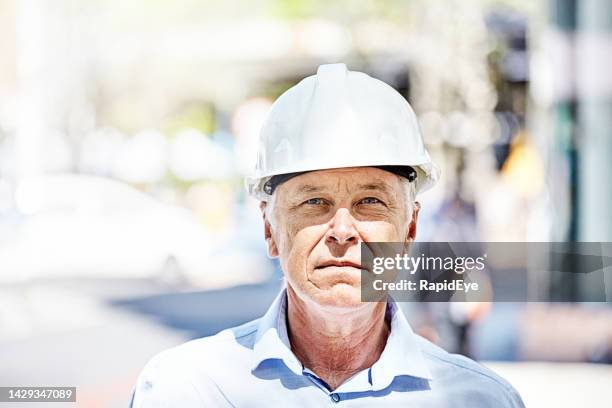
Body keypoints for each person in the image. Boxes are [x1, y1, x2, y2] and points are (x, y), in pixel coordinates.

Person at [131, 63, 524, 407]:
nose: (342, 231)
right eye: (314, 202)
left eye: (370, 201)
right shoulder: (184, 391)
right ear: (270, 229)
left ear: (410, 230)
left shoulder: (481, 400)